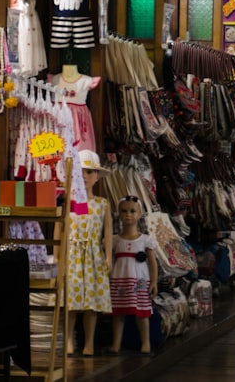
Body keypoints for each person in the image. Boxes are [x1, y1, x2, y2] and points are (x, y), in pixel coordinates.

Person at [63, 150, 113, 356]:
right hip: (73, 256)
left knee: (91, 304)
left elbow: (108, 230)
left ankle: (89, 343)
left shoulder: (102, 204)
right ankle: (68, 341)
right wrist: (58, 257)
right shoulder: (69, 201)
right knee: (71, 301)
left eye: (90, 172)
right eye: (81, 171)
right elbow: (61, 229)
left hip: (93, 256)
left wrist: (108, 255)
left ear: (97, 176)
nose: (85, 176)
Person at [109, 196, 158, 354]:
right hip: (119, 279)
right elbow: (109, 260)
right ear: (118, 213)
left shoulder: (146, 240)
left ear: (139, 214)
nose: (128, 215)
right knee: (118, 313)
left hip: (140, 280)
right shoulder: (114, 240)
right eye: (124, 211)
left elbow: (152, 263)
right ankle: (116, 343)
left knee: (142, 312)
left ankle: (146, 342)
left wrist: (154, 282)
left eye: (132, 211)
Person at [50, 65, 100, 153]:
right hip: (57, 117)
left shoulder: (86, 81)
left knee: (79, 147)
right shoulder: (55, 79)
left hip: (77, 119)